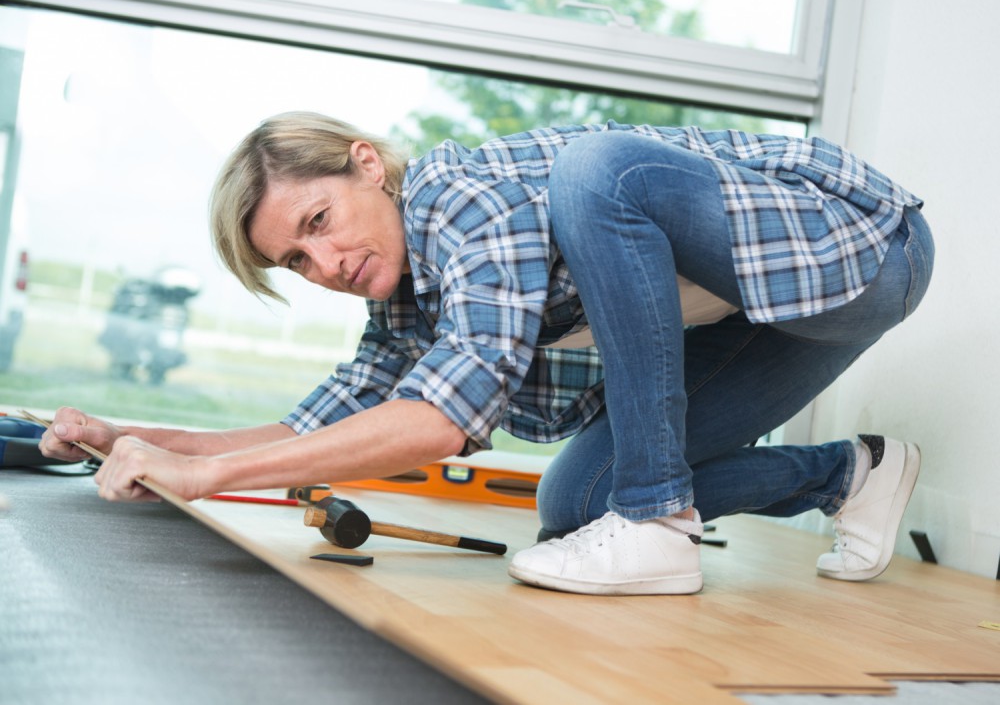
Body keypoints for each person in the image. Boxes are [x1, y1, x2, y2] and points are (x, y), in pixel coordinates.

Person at [40, 112, 934, 596]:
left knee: (595, 172)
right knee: (574, 503)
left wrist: (203, 478)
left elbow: (441, 419)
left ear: (367, 165)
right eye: (297, 261)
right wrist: (140, 441)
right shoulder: (403, 298)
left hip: (857, 252)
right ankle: (849, 474)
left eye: (319, 220)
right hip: (768, 322)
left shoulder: (460, 200)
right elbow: (314, 428)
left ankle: (658, 524)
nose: (327, 263)